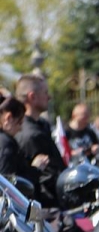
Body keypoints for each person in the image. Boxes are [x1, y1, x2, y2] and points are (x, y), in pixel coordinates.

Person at [14, 74, 63, 208]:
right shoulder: (31, 134)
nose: (49, 97)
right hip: (45, 207)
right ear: (32, 97)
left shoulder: (40, 124)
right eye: (45, 93)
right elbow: (48, 177)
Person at [0, 97, 38, 192]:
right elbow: (7, 184)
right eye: (20, 123)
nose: (20, 129)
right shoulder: (6, 144)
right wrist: (35, 169)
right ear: (9, 118)